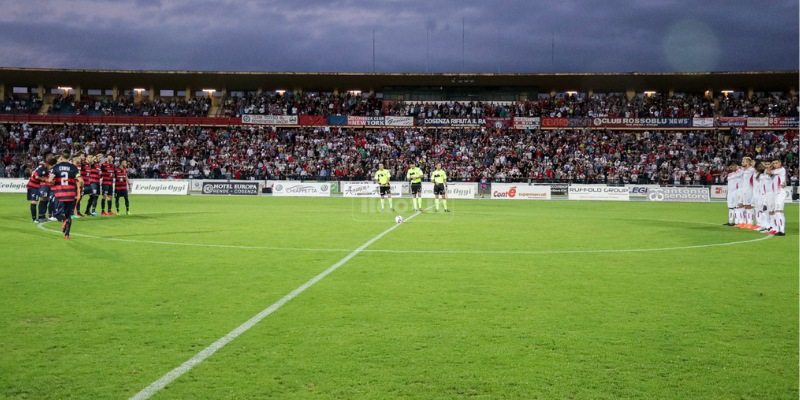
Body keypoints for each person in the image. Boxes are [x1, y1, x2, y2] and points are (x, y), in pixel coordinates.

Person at [49, 150, 83, 239]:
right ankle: (67, 235)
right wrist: (82, 187)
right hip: (71, 195)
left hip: (60, 194)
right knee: (69, 215)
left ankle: (64, 220)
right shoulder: (73, 167)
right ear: (69, 157)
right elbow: (81, 180)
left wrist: (51, 183)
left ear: (61, 156)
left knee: (57, 214)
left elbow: (50, 180)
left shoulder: (56, 167)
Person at [26, 157, 48, 223]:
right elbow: (37, 177)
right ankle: (34, 219)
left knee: (35, 201)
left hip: (34, 186)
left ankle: (36, 218)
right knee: (34, 202)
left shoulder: (38, 168)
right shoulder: (40, 170)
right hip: (33, 186)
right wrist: (44, 180)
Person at [768, 158, 788, 236]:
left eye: (776, 163)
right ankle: (779, 229)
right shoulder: (776, 171)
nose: (774, 165)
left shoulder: (781, 170)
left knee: (778, 211)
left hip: (780, 192)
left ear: (780, 163)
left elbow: (769, 172)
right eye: (773, 163)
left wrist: (769, 166)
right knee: (777, 212)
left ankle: (782, 231)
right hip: (776, 193)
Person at [736, 157, 755, 228]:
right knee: (742, 206)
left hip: (749, 189)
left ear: (748, 162)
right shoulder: (744, 170)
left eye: (743, 162)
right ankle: (743, 222)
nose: (742, 163)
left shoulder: (752, 169)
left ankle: (750, 223)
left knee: (749, 206)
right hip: (743, 190)